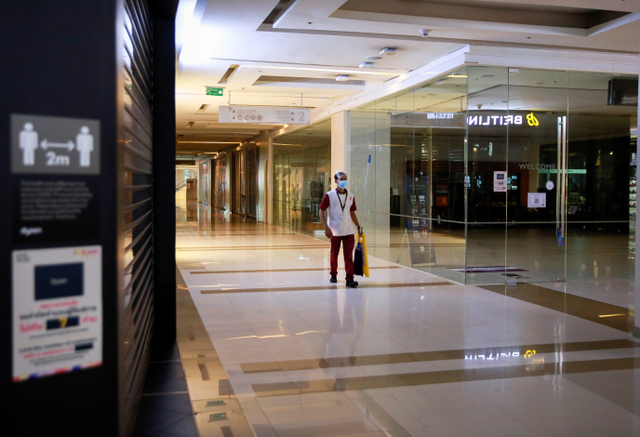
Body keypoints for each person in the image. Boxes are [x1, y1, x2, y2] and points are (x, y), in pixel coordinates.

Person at [319, 171, 362, 287]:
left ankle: (349, 279)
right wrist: (326, 227)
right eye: (341, 179)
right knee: (334, 254)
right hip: (335, 230)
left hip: (348, 231)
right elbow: (321, 210)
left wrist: (358, 226)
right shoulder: (329, 195)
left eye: (345, 179)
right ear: (336, 181)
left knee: (348, 255)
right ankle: (333, 274)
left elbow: (352, 213)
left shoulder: (351, 196)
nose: (343, 181)